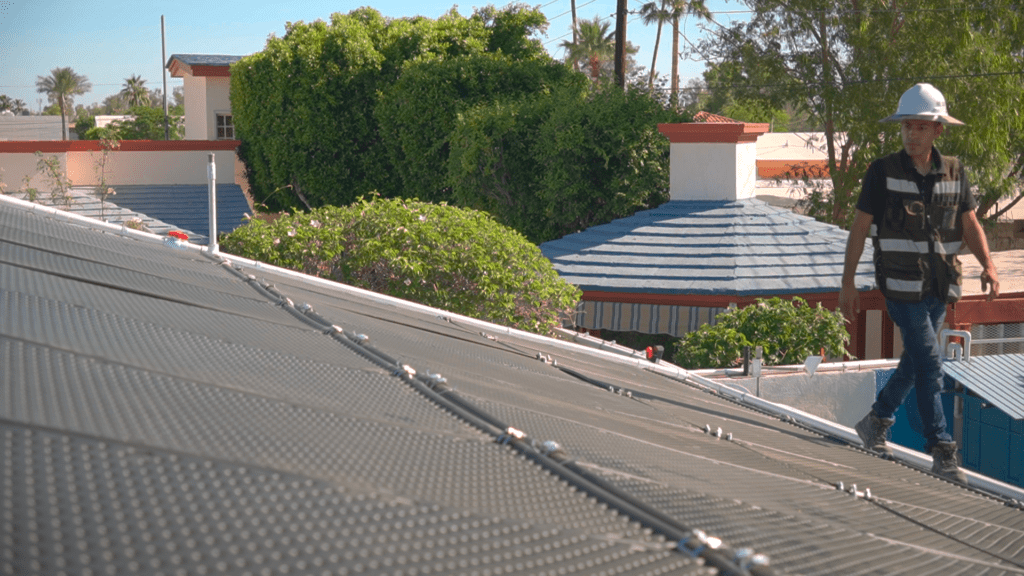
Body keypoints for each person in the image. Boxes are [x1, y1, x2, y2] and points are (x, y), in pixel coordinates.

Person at [839, 83, 1000, 485]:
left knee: (914, 363)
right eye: (906, 127)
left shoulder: (955, 172)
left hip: (939, 289)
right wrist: (847, 284)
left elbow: (970, 223)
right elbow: (859, 229)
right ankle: (942, 448)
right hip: (899, 288)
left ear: (937, 131)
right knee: (930, 362)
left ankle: (876, 420)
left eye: (920, 127)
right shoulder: (882, 171)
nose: (912, 134)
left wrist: (989, 266)